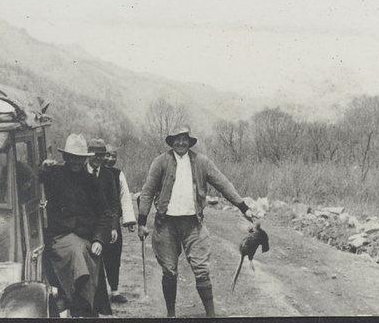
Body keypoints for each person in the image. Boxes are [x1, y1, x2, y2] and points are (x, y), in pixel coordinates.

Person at [137, 124, 258, 318]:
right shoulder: (161, 162)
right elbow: (148, 189)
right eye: (177, 139)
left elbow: (223, 184)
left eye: (185, 139)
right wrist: (142, 221)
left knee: (201, 268)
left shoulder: (201, 161)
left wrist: (244, 208)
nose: (181, 142)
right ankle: (171, 315)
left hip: (193, 223)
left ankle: (211, 315)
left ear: (190, 142)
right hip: (165, 223)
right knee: (169, 270)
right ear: (172, 141)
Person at [38, 134, 113, 317]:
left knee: (85, 251)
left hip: (87, 238)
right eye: (72, 157)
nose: (75, 162)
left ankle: (79, 303)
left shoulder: (91, 182)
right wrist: (41, 168)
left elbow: (105, 213)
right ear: (65, 157)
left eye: (79, 158)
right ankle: (75, 300)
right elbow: (29, 177)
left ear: (84, 159)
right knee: (76, 251)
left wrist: (99, 240)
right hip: (60, 237)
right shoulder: (53, 175)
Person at [102, 144, 137, 304]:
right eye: (107, 155)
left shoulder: (118, 174)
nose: (110, 159)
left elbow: (125, 198)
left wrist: (128, 220)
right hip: (94, 222)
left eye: (113, 155)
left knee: (113, 257)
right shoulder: (91, 172)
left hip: (112, 222)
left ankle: (114, 291)